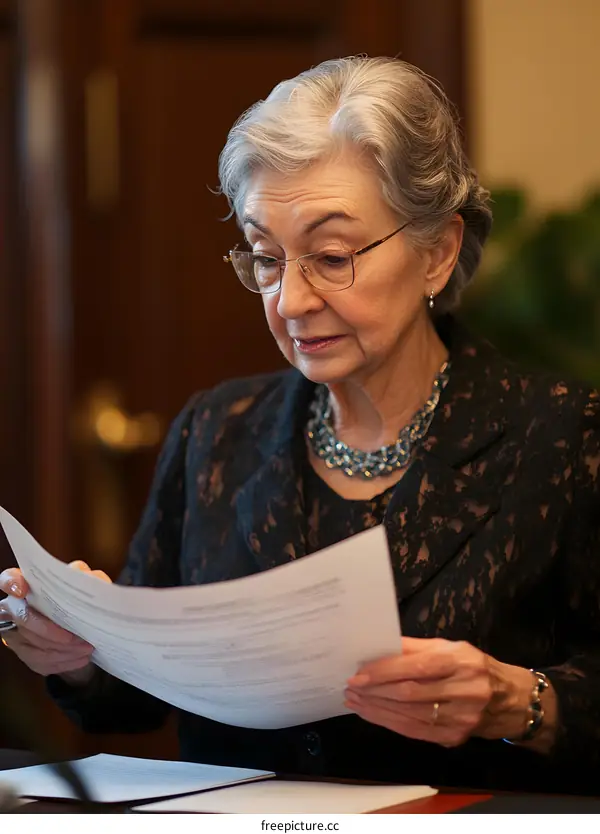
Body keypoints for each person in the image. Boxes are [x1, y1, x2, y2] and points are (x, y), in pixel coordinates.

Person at [1, 56, 599, 795]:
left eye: (331, 256)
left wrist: (521, 701)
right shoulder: (215, 432)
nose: (289, 300)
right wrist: (83, 653)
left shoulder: (565, 435)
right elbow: (133, 701)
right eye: (265, 257)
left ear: (438, 252)